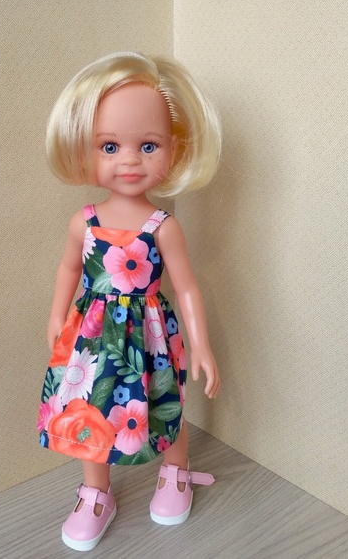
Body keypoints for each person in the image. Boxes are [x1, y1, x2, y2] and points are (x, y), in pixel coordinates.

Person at [37, 51, 221, 552]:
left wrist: (201, 345)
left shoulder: (163, 226)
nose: (130, 159)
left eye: (148, 145)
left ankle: (175, 470)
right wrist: (56, 315)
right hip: (92, 334)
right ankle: (96, 492)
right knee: (88, 406)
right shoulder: (84, 222)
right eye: (110, 146)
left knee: (164, 399)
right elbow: (69, 269)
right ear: (85, 149)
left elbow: (186, 286)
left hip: (152, 333)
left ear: (173, 150)